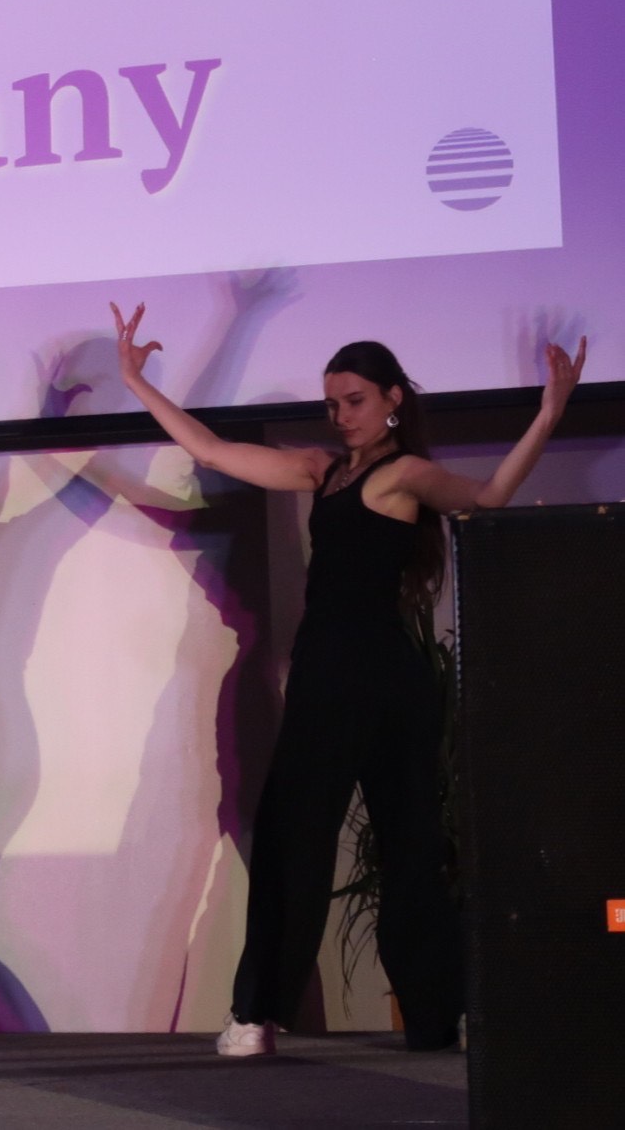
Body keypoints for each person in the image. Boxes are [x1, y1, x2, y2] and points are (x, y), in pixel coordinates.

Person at [110, 302, 587, 1055]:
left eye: (355, 400)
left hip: (384, 677)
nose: (341, 416)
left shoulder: (406, 473)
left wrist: (550, 412)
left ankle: (435, 1017)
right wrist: (137, 382)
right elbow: (211, 449)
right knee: (294, 838)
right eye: (332, 404)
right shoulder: (321, 470)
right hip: (328, 675)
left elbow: (488, 499)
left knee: (410, 844)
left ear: (393, 399)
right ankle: (259, 1015)